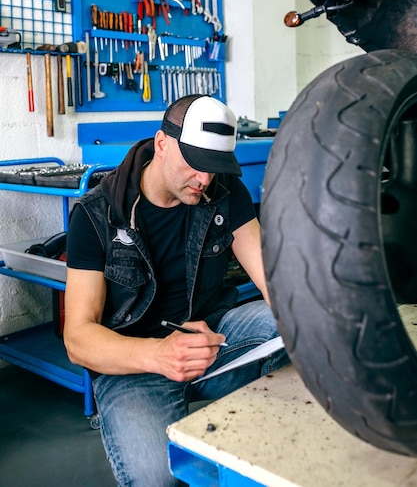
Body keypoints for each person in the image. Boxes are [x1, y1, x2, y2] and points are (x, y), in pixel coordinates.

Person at [63, 94, 289, 487]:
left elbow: (275, 281)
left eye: (214, 168)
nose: (204, 180)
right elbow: (78, 339)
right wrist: (159, 354)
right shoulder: (95, 214)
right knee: (156, 478)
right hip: (134, 365)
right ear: (162, 144)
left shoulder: (223, 191)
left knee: (294, 324)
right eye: (196, 165)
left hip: (213, 342)